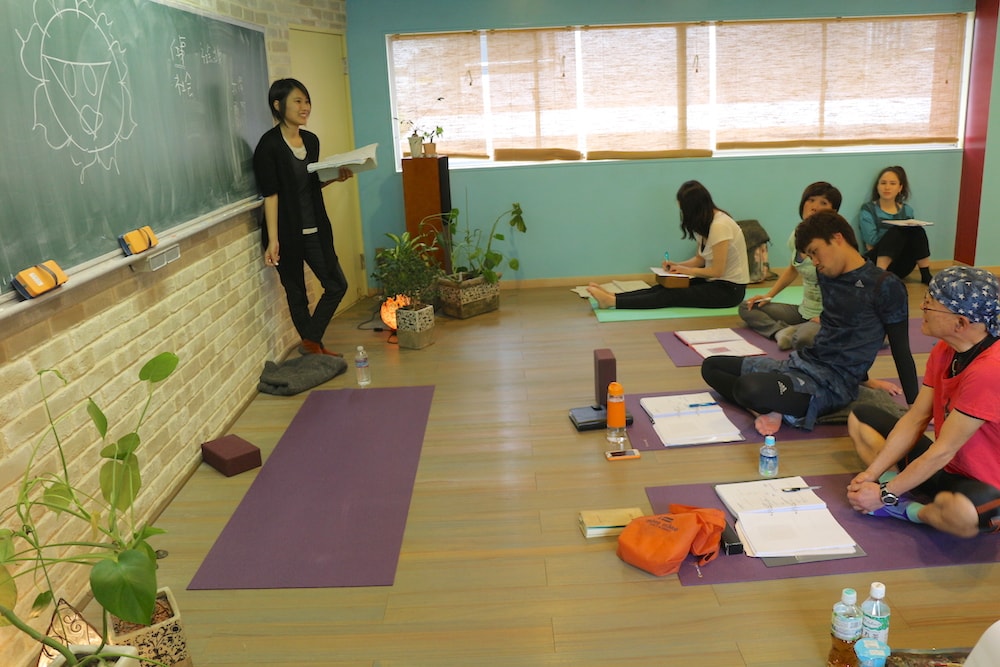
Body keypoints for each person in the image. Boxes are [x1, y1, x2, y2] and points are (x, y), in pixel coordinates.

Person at [701, 210, 919, 436]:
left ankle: (775, 405)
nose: (815, 262)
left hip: (833, 385)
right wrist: (867, 381)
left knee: (749, 387)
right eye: (809, 256)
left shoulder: (885, 285)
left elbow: (901, 350)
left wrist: (915, 411)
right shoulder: (826, 275)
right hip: (801, 364)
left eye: (815, 252)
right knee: (712, 366)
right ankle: (774, 407)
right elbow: (839, 328)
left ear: (837, 238)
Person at [846, 266, 1000, 538]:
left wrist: (885, 494)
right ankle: (894, 489)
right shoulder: (945, 349)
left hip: (983, 485)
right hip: (944, 467)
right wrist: (872, 474)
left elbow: (943, 450)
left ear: (960, 323)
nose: (922, 307)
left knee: (964, 515)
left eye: (929, 304)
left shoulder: (990, 369)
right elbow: (915, 418)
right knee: (861, 417)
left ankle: (908, 509)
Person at [253, 78, 352, 357]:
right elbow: (271, 195)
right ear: (278, 105)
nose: (305, 107)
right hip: (286, 233)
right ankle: (313, 347)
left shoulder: (311, 140)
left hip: (316, 229)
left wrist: (335, 177)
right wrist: (273, 240)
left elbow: (309, 184)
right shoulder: (269, 146)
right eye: (297, 101)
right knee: (296, 293)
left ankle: (310, 341)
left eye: (306, 101)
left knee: (337, 285)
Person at [588, 181, 749, 310]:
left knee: (672, 295)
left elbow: (717, 271)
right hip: (714, 283)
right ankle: (613, 296)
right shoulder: (705, 223)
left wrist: (686, 271)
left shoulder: (720, 226)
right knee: (662, 288)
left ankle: (612, 302)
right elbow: (700, 259)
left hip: (730, 291)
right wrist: (677, 266)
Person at [739, 181, 839, 351]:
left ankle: (800, 331)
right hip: (803, 311)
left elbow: (845, 288)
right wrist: (768, 296)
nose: (814, 207)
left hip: (827, 316)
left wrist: (825, 317)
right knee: (747, 306)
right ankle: (779, 332)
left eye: (823, 203)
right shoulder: (797, 234)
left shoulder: (833, 242)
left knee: (803, 339)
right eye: (811, 200)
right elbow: (793, 269)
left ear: (833, 212)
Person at [859, 165, 933, 285]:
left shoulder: (907, 210)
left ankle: (926, 275)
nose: (887, 187)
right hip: (876, 261)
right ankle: (879, 276)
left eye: (892, 183)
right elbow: (870, 242)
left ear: (900, 188)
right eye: (883, 183)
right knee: (897, 231)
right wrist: (894, 233)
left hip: (901, 263)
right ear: (877, 186)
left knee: (917, 230)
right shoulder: (868, 209)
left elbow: (912, 241)